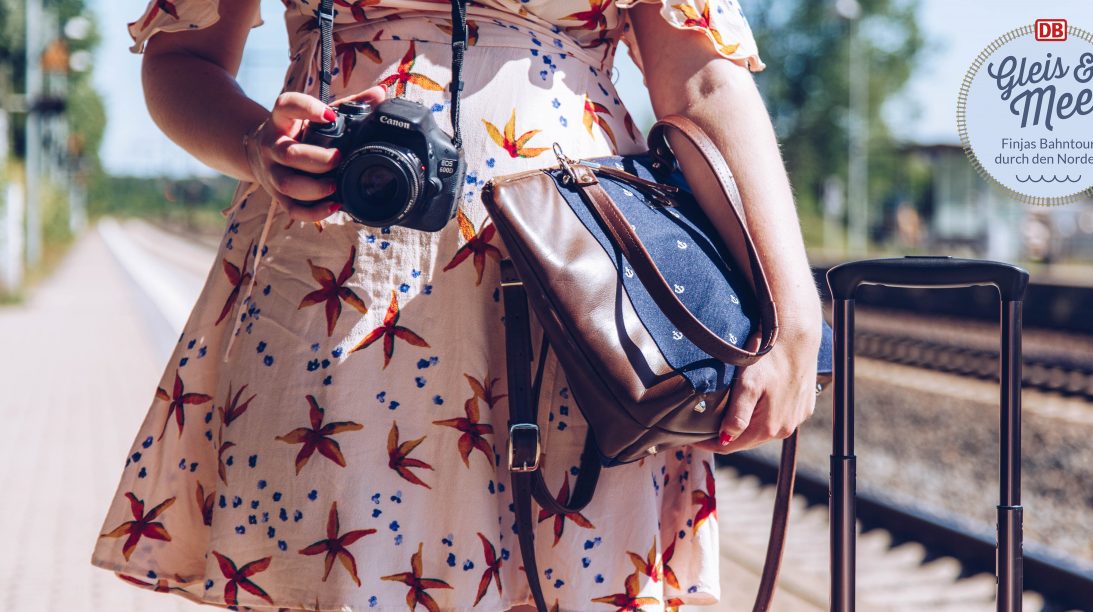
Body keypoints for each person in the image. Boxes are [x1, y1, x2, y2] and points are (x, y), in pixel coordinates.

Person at [90, 0, 825, 610]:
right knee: (340, 572)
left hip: (582, 298)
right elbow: (181, 61)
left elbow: (701, 83)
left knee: (571, 573)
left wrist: (794, 320)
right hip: (339, 282)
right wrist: (256, 145)